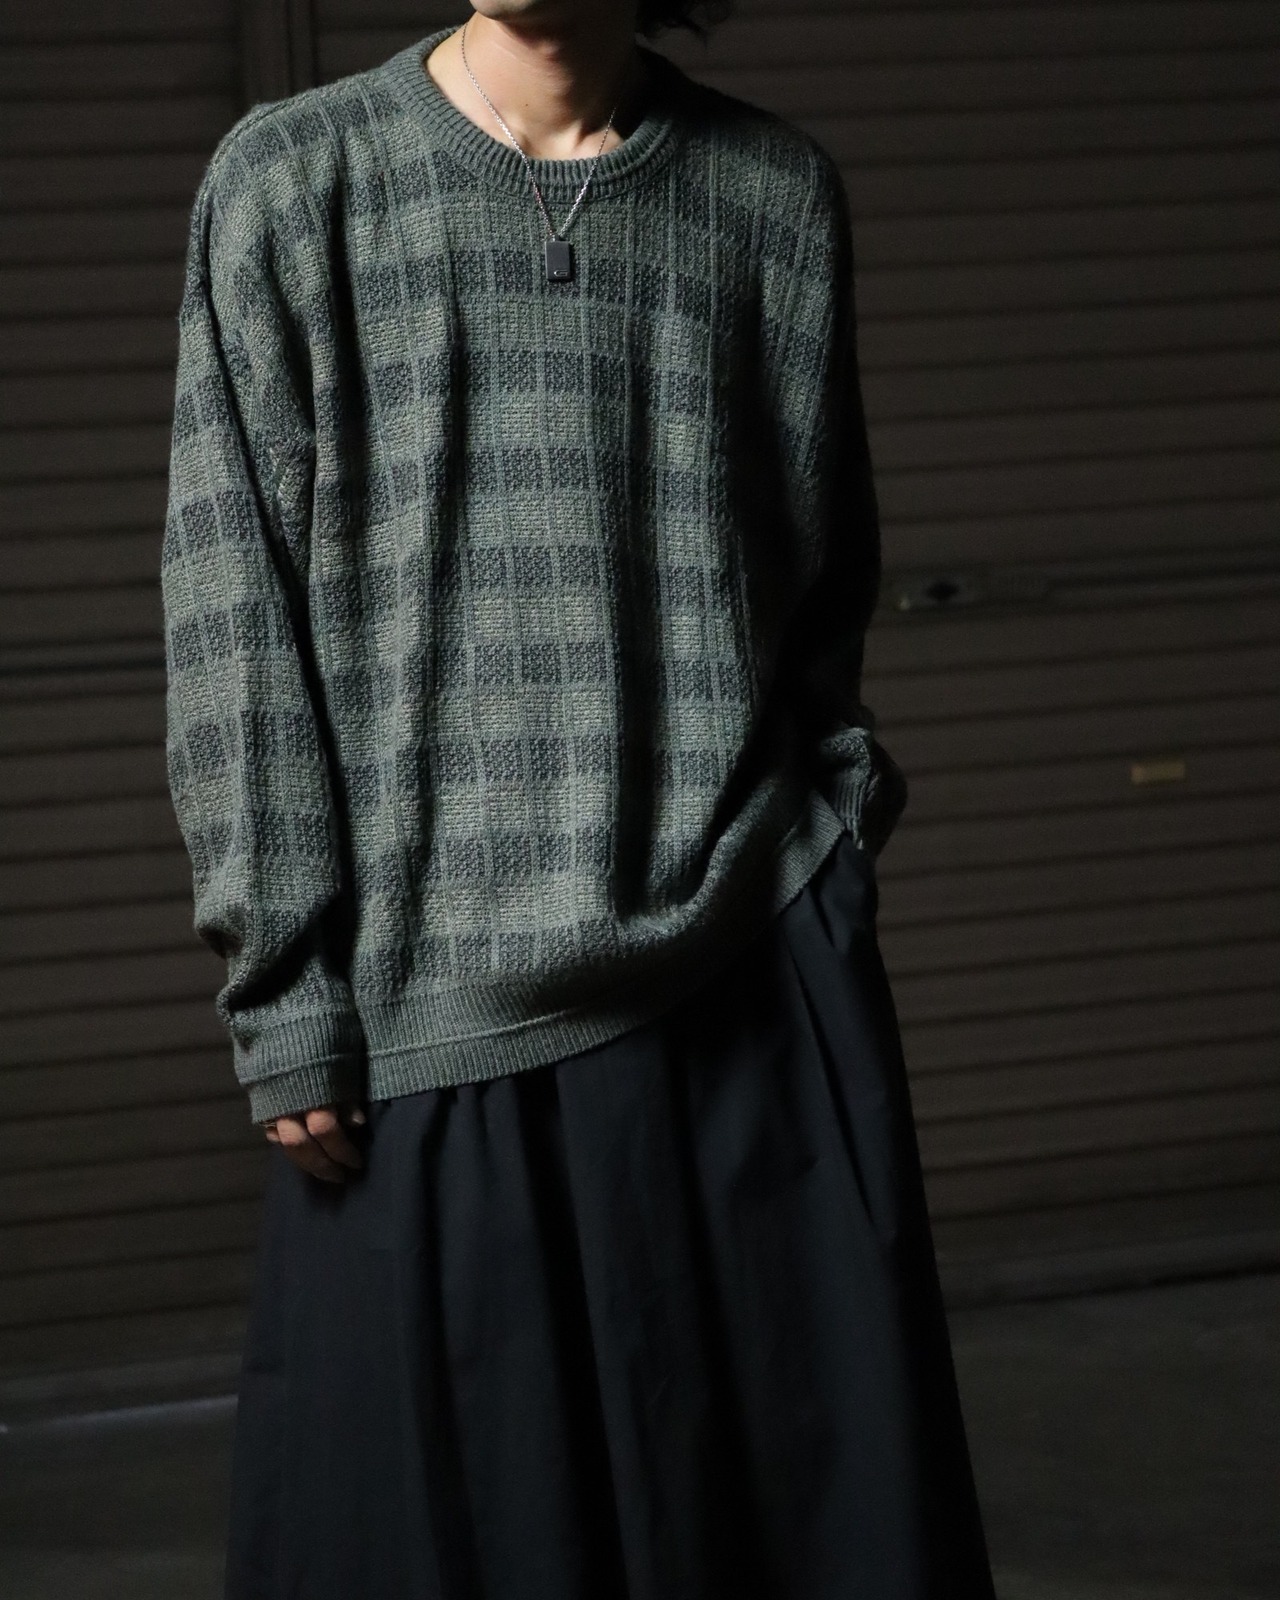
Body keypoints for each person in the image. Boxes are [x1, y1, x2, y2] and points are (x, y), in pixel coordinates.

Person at [161, 1, 997, 1594]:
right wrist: (286, 990)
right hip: (429, 1011)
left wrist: (828, 847)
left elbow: (819, 575)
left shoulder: (771, 191)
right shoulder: (293, 177)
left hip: (747, 977)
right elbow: (230, 610)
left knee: (790, 1542)